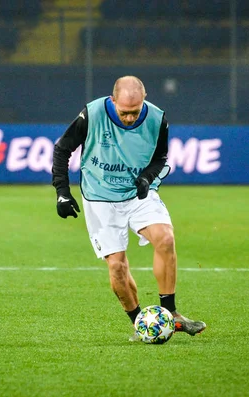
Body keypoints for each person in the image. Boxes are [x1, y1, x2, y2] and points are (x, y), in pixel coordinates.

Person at [51, 76, 206, 340]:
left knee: (166, 238)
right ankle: (141, 323)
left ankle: (171, 312)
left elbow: (160, 158)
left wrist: (146, 178)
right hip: (99, 197)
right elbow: (62, 149)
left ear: (143, 101)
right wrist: (62, 193)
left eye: (135, 112)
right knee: (117, 268)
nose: (130, 118)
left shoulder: (158, 119)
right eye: (124, 112)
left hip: (137, 193)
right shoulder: (93, 114)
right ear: (113, 102)